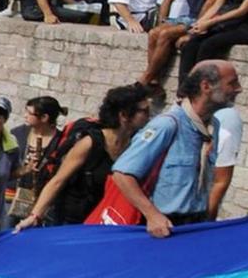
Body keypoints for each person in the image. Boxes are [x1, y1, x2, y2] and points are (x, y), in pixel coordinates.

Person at [109, 60, 241, 237]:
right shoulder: (167, 125)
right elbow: (122, 174)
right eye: (232, 83)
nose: (238, 89)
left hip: (195, 224)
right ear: (206, 86)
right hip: (166, 227)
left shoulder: (210, 127)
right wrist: (152, 215)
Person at [12, 83, 150, 231]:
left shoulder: (134, 144)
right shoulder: (90, 143)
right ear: (124, 115)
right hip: (69, 221)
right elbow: (58, 181)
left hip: (101, 220)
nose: (149, 115)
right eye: (145, 111)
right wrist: (35, 216)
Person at [8, 96, 66, 224]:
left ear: (44, 118)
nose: (25, 116)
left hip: (42, 201)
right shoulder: (18, 134)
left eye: (30, 113)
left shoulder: (61, 142)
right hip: (13, 196)